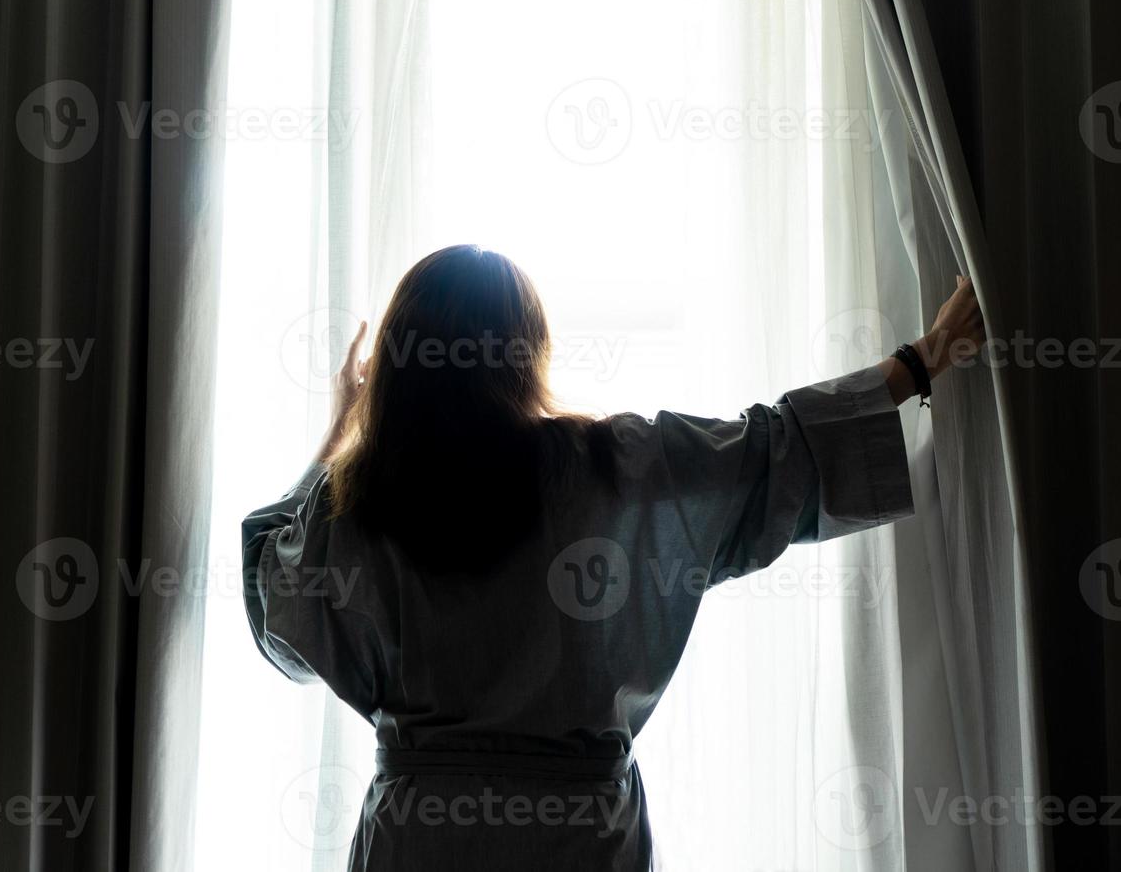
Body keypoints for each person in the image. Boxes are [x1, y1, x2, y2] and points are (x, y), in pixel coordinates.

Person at [243, 244, 985, 870]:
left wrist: (340, 432)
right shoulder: (615, 467)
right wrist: (926, 359)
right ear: (527, 350)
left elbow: (277, 601)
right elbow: (776, 446)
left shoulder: (364, 504)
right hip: (576, 836)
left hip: (421, 836)